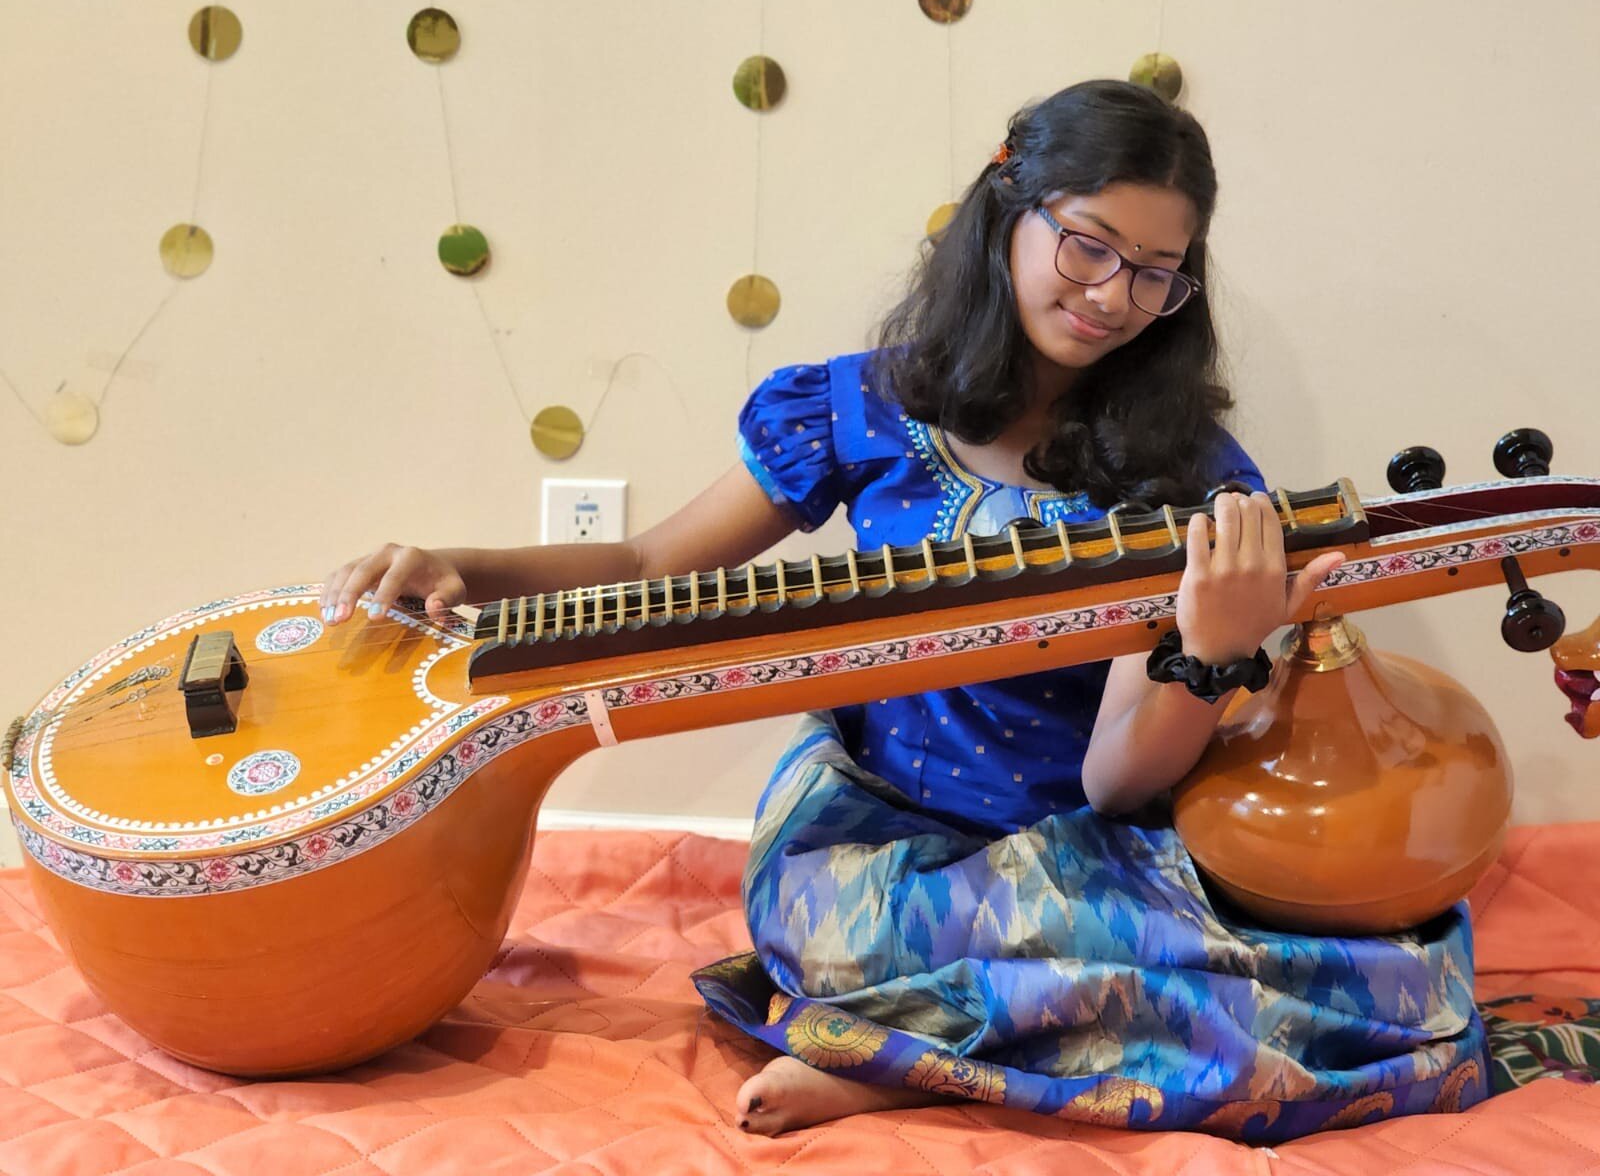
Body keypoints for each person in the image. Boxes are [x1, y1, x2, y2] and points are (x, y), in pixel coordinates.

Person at [320, 79, 1487, 1141]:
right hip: (873, 850)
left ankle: (899, 1056)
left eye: (1154, 272)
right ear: (1005, 205)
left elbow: (1116, 788)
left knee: (1400, 986)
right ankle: (966, 1037)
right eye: (1086, 244)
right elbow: (648, 559)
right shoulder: (862, 409)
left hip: (1073, 859)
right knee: (850, 934)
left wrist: (1208, 653)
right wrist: (464, 567)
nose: (1112, 296)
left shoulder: (1184, 477)